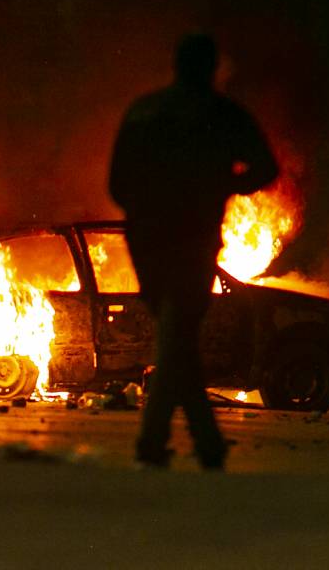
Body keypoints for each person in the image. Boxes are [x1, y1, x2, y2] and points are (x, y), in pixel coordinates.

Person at [109, 34, 279, 469]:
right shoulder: (223, 115)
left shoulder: (144, 111)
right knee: (177, 331)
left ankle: (182, 441)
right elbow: (266, 167)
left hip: (146, 240)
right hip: (193, 238)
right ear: (210, 68)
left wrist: (146, 210)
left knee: (174, 332)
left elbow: (117, 184)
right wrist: (225, 184)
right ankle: (193, 443)